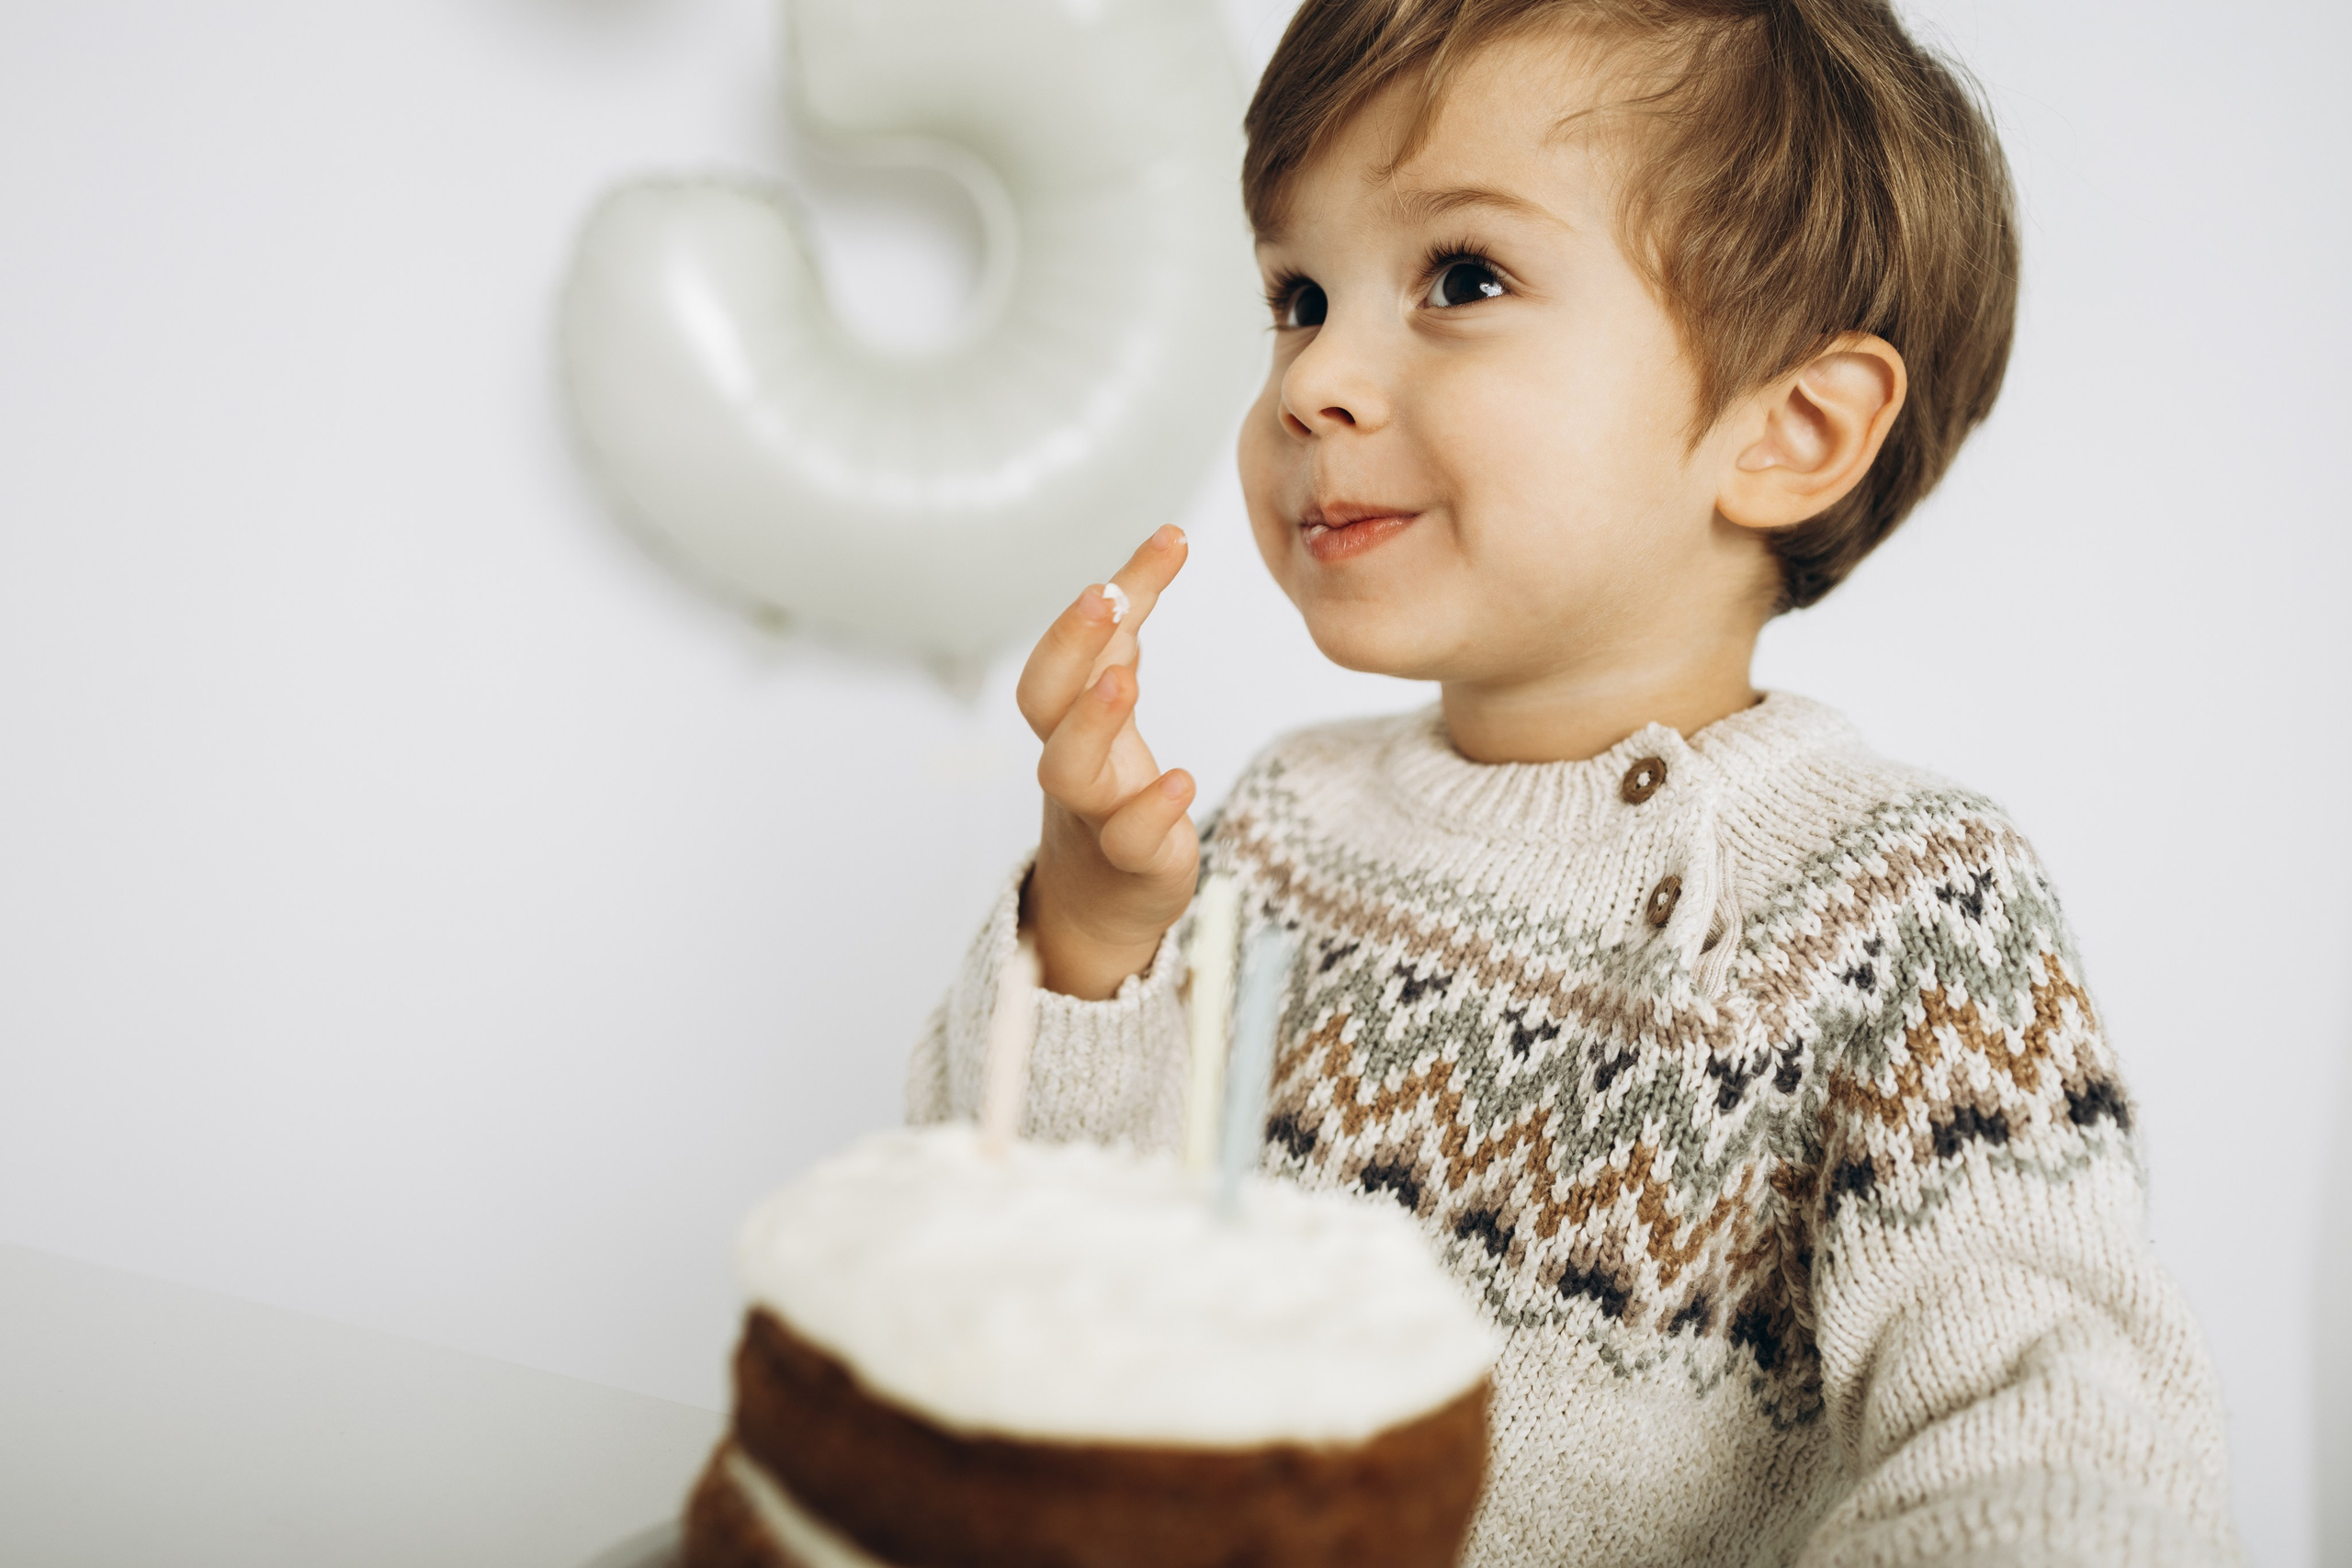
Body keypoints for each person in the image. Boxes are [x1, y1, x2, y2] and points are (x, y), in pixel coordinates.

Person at [910, 0, 2239, 1559]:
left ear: (1792, 430)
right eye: (1297, 294)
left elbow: (2054, 1431)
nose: (1314, 377)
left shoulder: (1903, 911)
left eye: (1462, 277)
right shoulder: (1280, 823)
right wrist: (1089, 945)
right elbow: (1003, 1270)